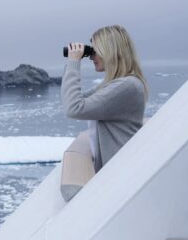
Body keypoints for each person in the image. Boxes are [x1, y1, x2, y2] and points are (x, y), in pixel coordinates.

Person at [62, 25, 148, 173]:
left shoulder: (127, 86)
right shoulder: (116, 85)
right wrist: (72, 62)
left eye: (94, 52)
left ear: (110, 51)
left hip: (123, 173)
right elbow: (71, 100)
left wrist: (74, 63)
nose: (90, 57)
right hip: (119, 170)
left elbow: (74, 108)